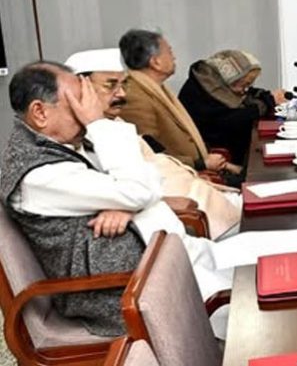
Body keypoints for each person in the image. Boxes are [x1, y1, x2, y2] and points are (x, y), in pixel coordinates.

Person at [0, 61, 232, 336]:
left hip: (159, 261)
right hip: (124, 289)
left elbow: (152, 177)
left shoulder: (63, 141)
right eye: (79, 102)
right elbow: (140, 189)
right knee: (249, 306)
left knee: (259, 264)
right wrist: (98, 126)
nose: (90, 110)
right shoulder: (38, 174)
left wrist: (126, 207)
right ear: (40, 112)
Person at [65, 48, 242, 239]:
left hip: (210, 197)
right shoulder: (78, 136)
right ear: (81, 89)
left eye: (123, 85)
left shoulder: (114, 121)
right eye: (111, 86)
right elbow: (129, 191)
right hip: (192, 218)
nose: (122, 94)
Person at [117, 29, 243, 184]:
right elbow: (150, 154)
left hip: (196, 172)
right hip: (179, 181)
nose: (174, 57)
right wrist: (200, 164)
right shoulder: (135, 97)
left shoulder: (155, 88)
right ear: (155, 62)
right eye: (169, 52)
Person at [178, 50, 278, 166]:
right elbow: (233, 119)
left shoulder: (217, 81)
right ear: (233, 78)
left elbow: (249, 95)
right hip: (211, 154)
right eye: (245, 84)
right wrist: (268, 102)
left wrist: (267, 98)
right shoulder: (204, 91)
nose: (245, 90)